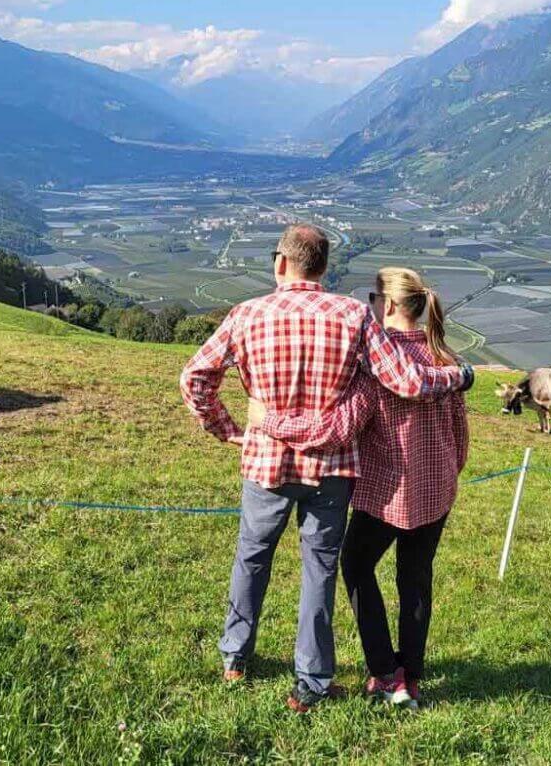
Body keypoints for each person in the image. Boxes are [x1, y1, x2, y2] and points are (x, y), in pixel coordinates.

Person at [180, 227, 472, 713]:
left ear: (280, 264)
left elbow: (195, 378)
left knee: (252, 559)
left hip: (265, 463)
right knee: (319, 572)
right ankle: (312, 680)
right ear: (325, 267)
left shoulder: (247, 314)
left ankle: (235, 658)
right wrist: (461, 375)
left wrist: (228, 428)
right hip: (332, 470)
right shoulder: (354, 315)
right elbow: (403, 380)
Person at [249, 267, 470, 709]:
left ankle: (385, 673)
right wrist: (448, 472)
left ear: (386, 305)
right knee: (416, 579)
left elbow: (336, 430)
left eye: (372, 298)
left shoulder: (376, 367)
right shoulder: (445, 359)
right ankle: (412, 674)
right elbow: (460, 433)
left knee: (355, 566)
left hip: (384, 494)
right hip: (438, 488)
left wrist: (268, 420)